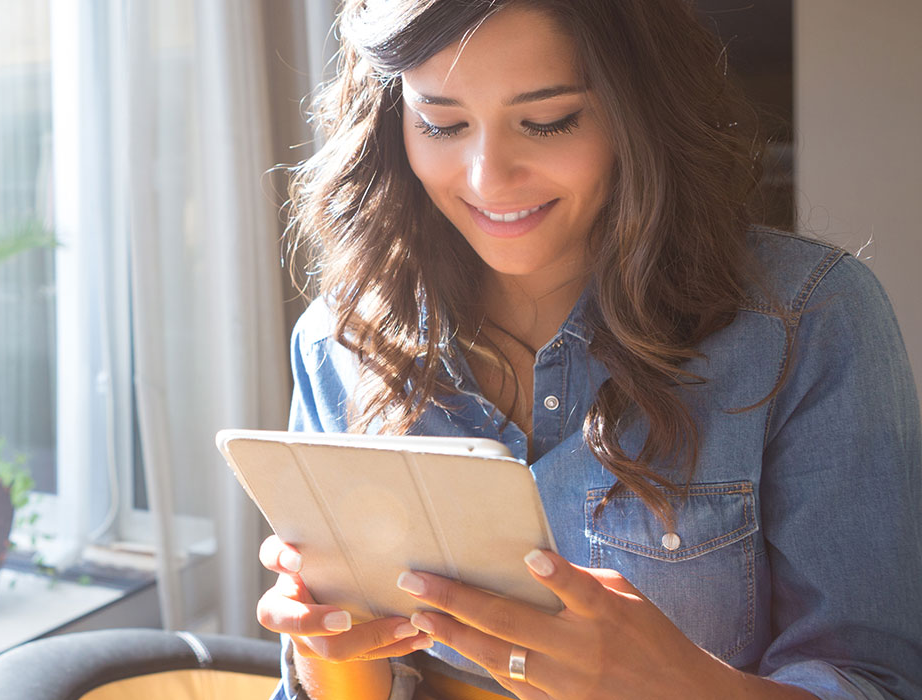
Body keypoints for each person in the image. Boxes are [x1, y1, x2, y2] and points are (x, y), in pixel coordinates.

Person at [257, 1, 922, 699]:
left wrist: (682, 687)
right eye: (442, 123)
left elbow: (881, 682)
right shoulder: (343, 338)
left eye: (547, 121)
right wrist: (328, 649)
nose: (488, 179)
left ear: (637, 108)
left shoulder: (807, 320)